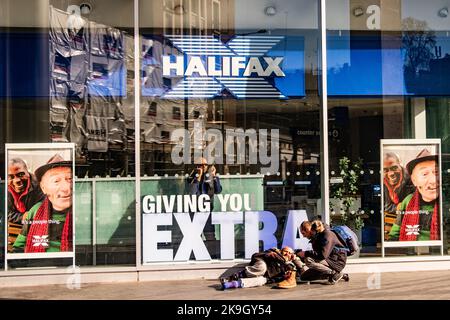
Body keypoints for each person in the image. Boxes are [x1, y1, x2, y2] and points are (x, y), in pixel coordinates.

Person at [13, 154, 73, 253]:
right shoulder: (35, 211)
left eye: (70, 179)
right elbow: (19, 247)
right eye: (56, 181)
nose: (65, 188)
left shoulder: (82, 212)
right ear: (43, 188)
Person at [388, 149, 440, 241]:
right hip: (412, 252)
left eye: (436, 172)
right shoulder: (408, 201)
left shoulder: (445, 202)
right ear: (414, 180)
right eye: (424, 174)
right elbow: (395, 233)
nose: (433, 180)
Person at [219, 246, 302, 290]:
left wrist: (295, 259)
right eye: (285, 251)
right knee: (262, 267)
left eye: (289, 253)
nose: (287, 254)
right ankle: (233, 277)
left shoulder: (289, 266)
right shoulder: (274, 251)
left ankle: (231, 284)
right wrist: (282, 258)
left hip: (267, 276)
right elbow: (262, 255)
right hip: (261, 262)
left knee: (261, 280)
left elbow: (301, 271)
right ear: (281, 250)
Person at [187, 157, 222, 257]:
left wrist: (214, 176)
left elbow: (218, 190)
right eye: (200, 165)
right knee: (195, 235)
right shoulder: (191, 178)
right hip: (194, 210)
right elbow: (192, 192)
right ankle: (195, 255)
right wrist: (198, 177)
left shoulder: (210, 177)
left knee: (210, 234)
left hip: (207, 210)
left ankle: (213, 254)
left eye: (205, 165)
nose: (202, 167)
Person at [7, 158, 45, 251]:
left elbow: (42, 213)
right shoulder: (6, 189)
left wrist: (30, 216)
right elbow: (6, 212)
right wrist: (22, 217)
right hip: (15, 230)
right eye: (11, 176)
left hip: (36, 230)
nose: (16, 180)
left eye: (21, 174)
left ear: (27, 172)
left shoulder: (40, 186)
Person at [296, 220, 349, 284]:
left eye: (303, 233)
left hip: (336, 262)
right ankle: (340, 275)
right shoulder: (316, 237)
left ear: (308, 230)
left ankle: (335, 273)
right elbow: (317, 255)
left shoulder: (327, 234)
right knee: (304, 277)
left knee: (308, 259)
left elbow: (323, 255)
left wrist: (305, 253)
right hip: (328, 261)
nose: (303, 236)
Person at [383, 152, 414, 240]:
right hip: (394, 219)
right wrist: (398, 207)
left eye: (394, 168)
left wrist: (402, 206)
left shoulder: (411, 179)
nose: (391, 173)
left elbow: (413, 204)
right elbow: (386, 206)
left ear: (400, 165)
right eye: (386, 170)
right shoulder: (384, 182)